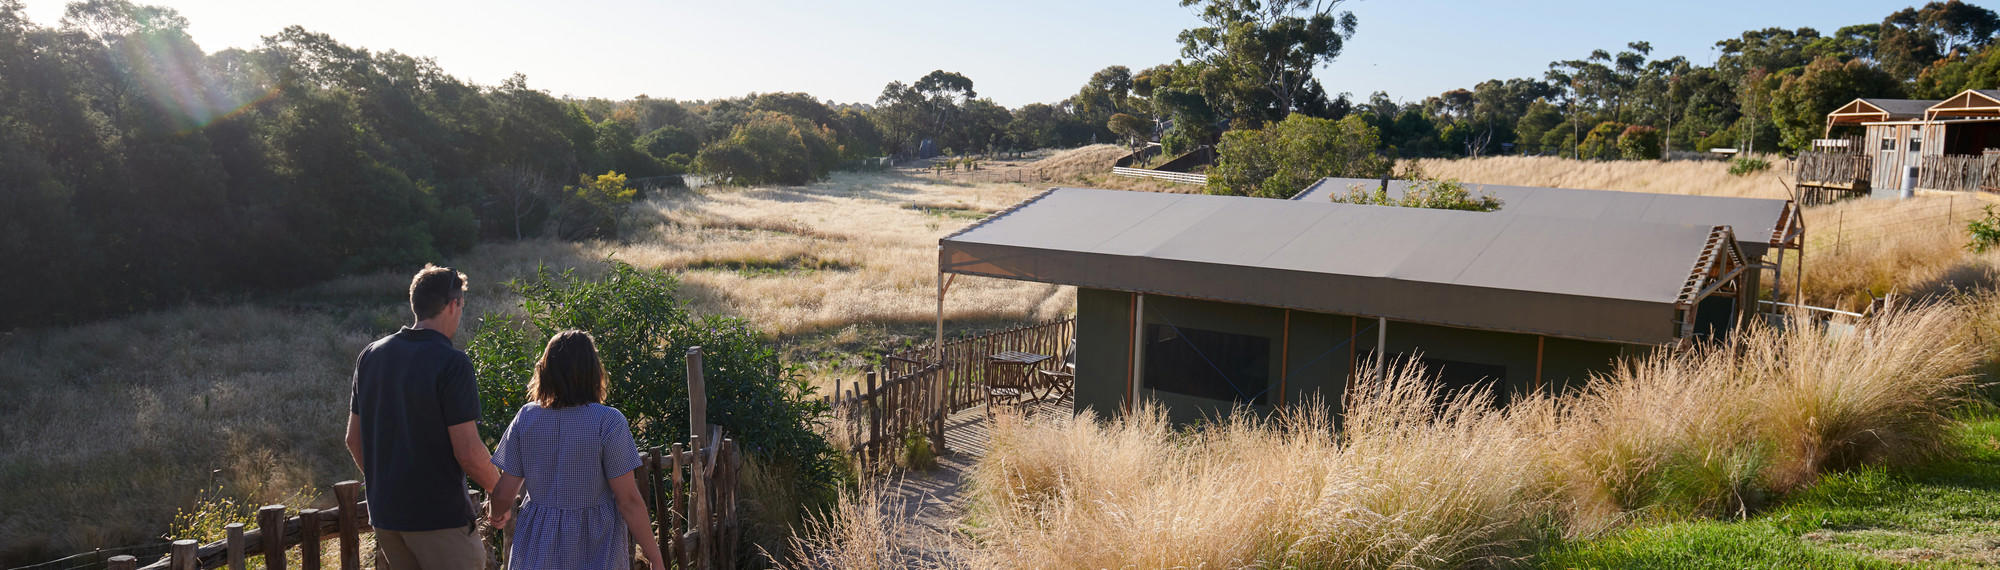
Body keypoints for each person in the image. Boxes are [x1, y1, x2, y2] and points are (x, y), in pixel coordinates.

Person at [346, 264, 497, 569]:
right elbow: (468, 452)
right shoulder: (452, 363)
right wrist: (501, 489)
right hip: (439, 520)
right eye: (462, 306)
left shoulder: (371, 356)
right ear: (454, 304)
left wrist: (388, 488)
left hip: (387, 519)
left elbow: (353, 439)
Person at [488, 331, 666, 570]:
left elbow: (504, 491)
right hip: (596, 547)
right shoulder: (608, 422)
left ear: (546, 371)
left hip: (536, 546)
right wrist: (655, 557)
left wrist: (497, 514)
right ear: (593, 372)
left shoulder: (526, 417)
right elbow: (629, 501)